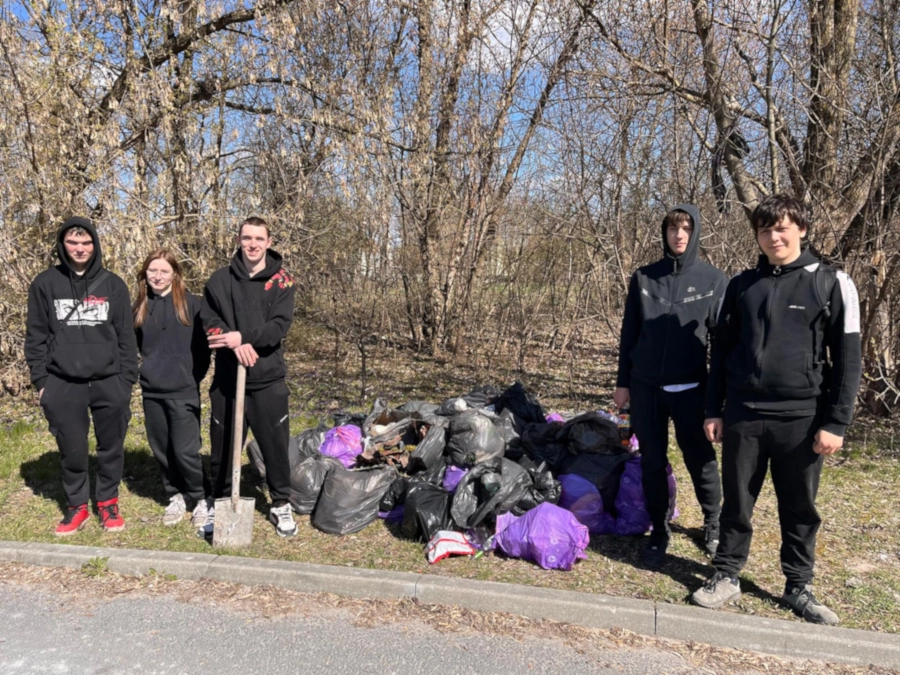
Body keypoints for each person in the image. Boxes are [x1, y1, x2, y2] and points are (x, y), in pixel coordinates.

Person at [692, 194, 862, 625]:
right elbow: (721, 352)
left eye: (782, 228)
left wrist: (836, 422)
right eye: (765, 230)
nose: (774, 237)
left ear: (801, 229)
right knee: (737, 502)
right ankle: (726, 574)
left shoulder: (831, 283)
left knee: (800, 506)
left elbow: (848, 360)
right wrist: (714, 409)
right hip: (743, 414)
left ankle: (798, 586)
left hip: (802, 418)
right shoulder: (741, 285)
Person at [614, 204, 727, 567]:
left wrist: (717, 400)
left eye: (686, 229)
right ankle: (659, 530)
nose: (679, 235)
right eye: (673, 228)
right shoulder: (644, 278)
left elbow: (722, 347)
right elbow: (630, 332)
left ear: (695, 234)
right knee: (652, 461)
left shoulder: (714, 281)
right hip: (646, 387)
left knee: (700, 460)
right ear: (664, 233)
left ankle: (713, 524)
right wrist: (622, 382)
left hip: (692, 389)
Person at [25, 216, 138, 535]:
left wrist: (126, 381)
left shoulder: (113, 285)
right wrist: (42, 383)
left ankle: (107, 503)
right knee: (72, 448)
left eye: (86, 242)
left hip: (109, 381)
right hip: (62, 382)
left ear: (95, 245)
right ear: (62, 245)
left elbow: (126, 336)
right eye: (73, 242)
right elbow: (35, 336)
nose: (79, 248)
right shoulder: (45, 284)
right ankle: (77, 506)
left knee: (111, 447)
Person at [201, 216, 297, 537]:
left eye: (258, 238)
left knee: (275, 447)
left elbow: (278, 327)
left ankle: (280, 502)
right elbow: (210, 321)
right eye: (246, 238)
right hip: (228, 382)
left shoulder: (282, 281)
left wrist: (244, 337)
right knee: (224, 447)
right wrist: (233, 342)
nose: (252, 244)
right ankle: (221, 501)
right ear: (238, 240)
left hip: (268, 381)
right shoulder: (219, 280)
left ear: (269, 242)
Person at [133, 249, 212, 529]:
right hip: (152, 391)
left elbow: (204, 350)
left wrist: (191, 376)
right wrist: (147, 374)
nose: (158, 276)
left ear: (175, 274)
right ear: (145, 275)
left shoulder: (193, 305)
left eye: (164, 271)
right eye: (152, 271)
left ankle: (202, 497)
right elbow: (136, 347)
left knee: (185, 450)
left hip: (183, 389)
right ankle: (176, 495)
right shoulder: (139, 307)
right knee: (162, 449)